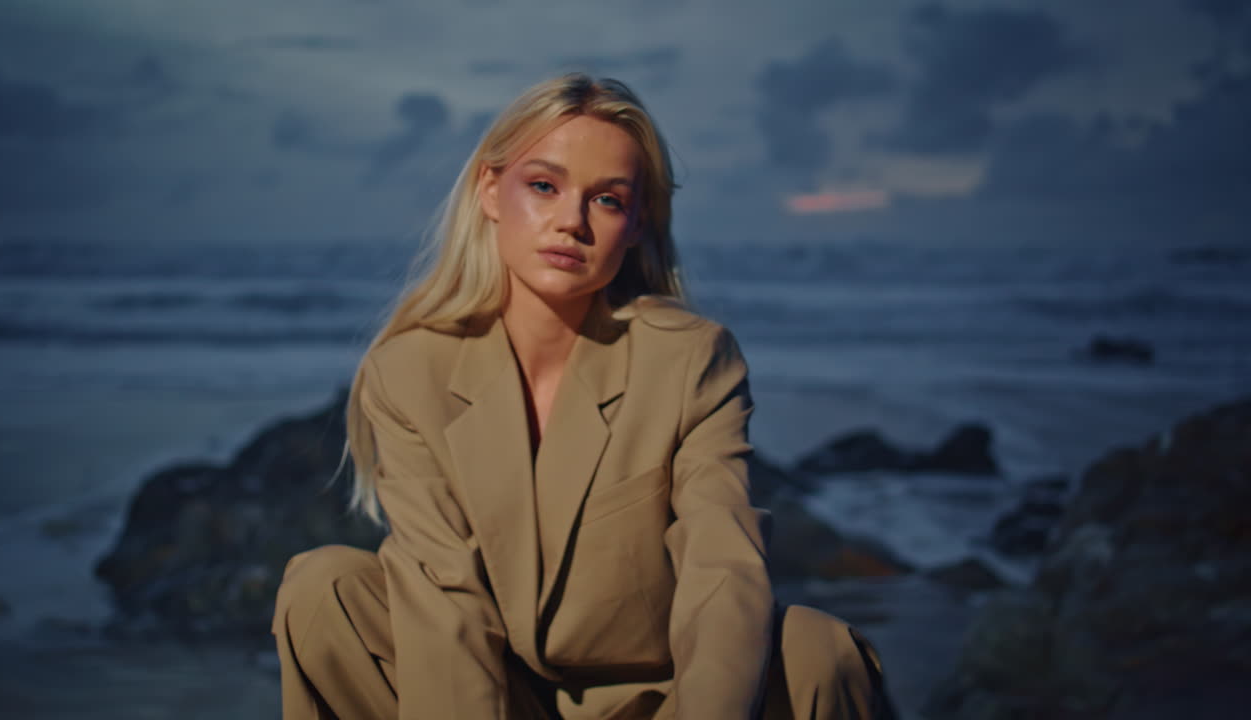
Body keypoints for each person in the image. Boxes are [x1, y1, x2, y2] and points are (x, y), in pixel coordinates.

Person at [271, 72, 895, 720]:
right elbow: (442, 601)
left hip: (656, 704)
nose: (571, 221)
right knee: (326, 588)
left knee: (816, 648)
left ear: (635, 226)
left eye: (607, 200)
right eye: (544, 186)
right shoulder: (409, 372)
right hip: (499, 699)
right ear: (490, 190)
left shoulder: (689, 361)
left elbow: (723, 571)